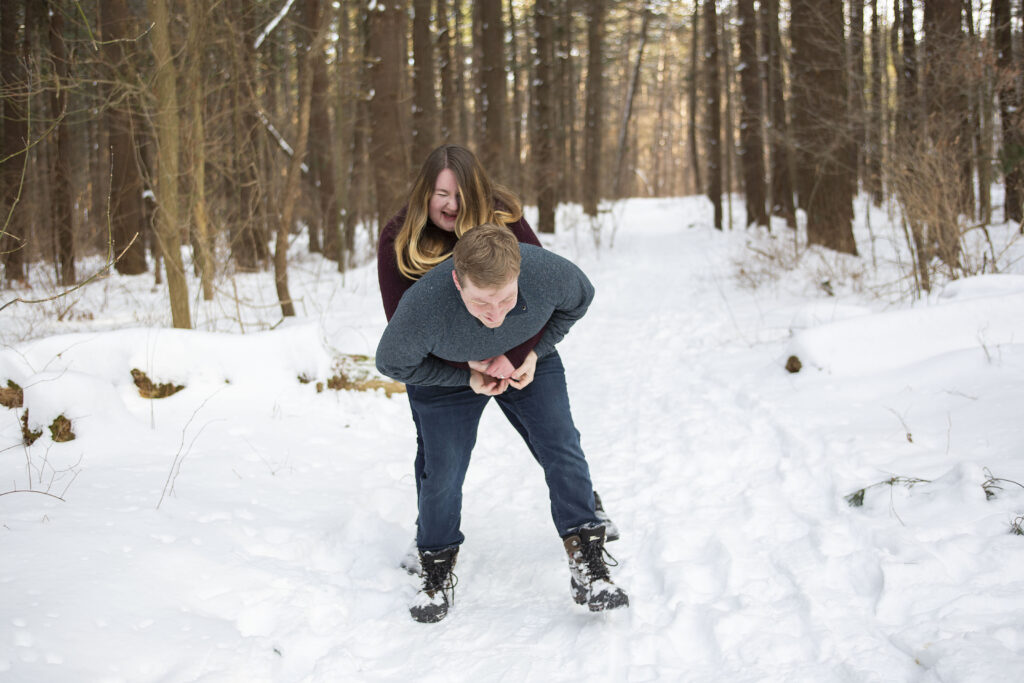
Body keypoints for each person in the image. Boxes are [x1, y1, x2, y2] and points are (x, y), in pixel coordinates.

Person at [376, 144, 619, 576]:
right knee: (438, 456)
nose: (451, 205)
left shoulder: (504, 215)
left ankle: (582, 511)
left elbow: (540, 292)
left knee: (555, 437)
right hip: (447, 366)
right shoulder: (400, 237)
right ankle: (429, 535)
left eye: (460, 193)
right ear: (423, 194)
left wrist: (524, 355)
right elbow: (402, 327)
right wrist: (467, 370)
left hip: (520, 353)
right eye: (440, 194)